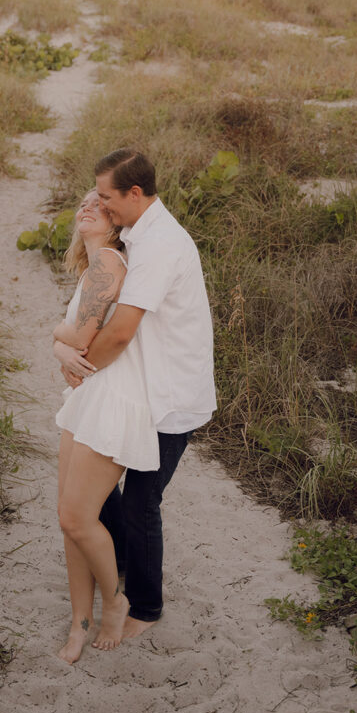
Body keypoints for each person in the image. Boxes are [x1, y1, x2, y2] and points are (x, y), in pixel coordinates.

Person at [60, 149, 216, 639]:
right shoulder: (134, 235)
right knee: (101, 490)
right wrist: (69, 351)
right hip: (135, 385)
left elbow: (122, 331)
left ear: (134, 192)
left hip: (169, 396)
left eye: (106, 197)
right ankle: (119, 562)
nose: (100, 204)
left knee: (140, 504)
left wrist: (80, 365)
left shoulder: (161, 244)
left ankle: (146, 607)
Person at [53, 190, 159, 664]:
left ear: (116, 221)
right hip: (89, 396)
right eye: (83, 203)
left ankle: (115, 601)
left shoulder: (110, 262)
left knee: (77, 517)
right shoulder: (92, 268)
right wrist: (64, 346)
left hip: (114, 399)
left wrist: (56, 341)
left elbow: (78, 336)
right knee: (69, 521)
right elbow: (78, 338)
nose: (87, 208)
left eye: (99, 204)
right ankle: (80, 622)